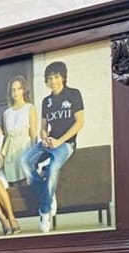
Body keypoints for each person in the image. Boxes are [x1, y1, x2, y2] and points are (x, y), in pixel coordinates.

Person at [23, 60, 85, 233]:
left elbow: (80, 122)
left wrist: (60, 141)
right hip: (49, 142)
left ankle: (45, 212)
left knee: (52, 168)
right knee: (25, 161)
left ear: (63, 77)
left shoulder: (74, 94)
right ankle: (48, 194)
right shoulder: (46, 101)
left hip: (66, 143)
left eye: (56, 77)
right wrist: (44, 138)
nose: (53, 81)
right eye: (49, 79)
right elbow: (43, 128)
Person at [1, 75, 39, 185]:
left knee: (26, 182)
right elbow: (7, 136)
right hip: (11, 152)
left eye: (19, 89)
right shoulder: (6, 113)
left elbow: (33, 133)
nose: (16, 92)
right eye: (13, 90)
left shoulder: (30, 108)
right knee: (13, 184)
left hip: (24, 149)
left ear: (24, 90)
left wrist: (33, 153)